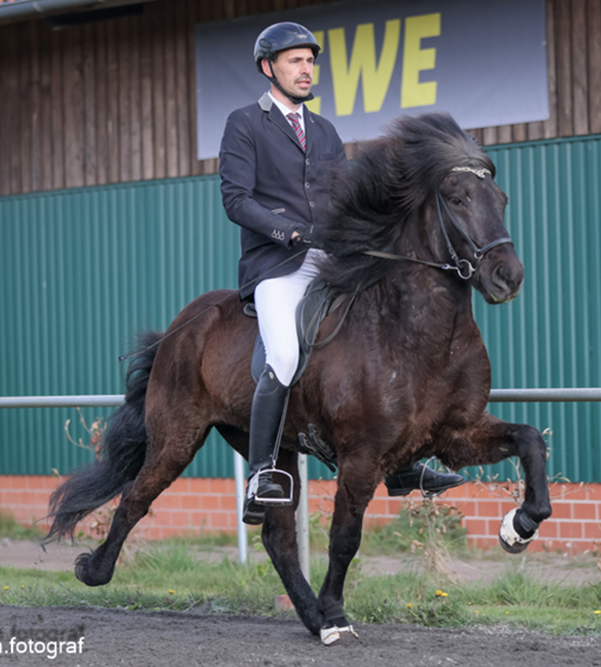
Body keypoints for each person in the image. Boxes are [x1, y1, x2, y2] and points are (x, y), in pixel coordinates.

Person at [219, 21, 464, 525]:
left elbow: (340, 198)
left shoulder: (325, 131)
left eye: (310, 60)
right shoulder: (244, 123)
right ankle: (262, 473)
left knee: (381, 338)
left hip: (329, 260)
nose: (306, 68)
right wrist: (287, 231)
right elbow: (236, 199)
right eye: (294, 60)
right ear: (269, 68)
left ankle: (400, 468)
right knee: (284, 355)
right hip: (278, 263)